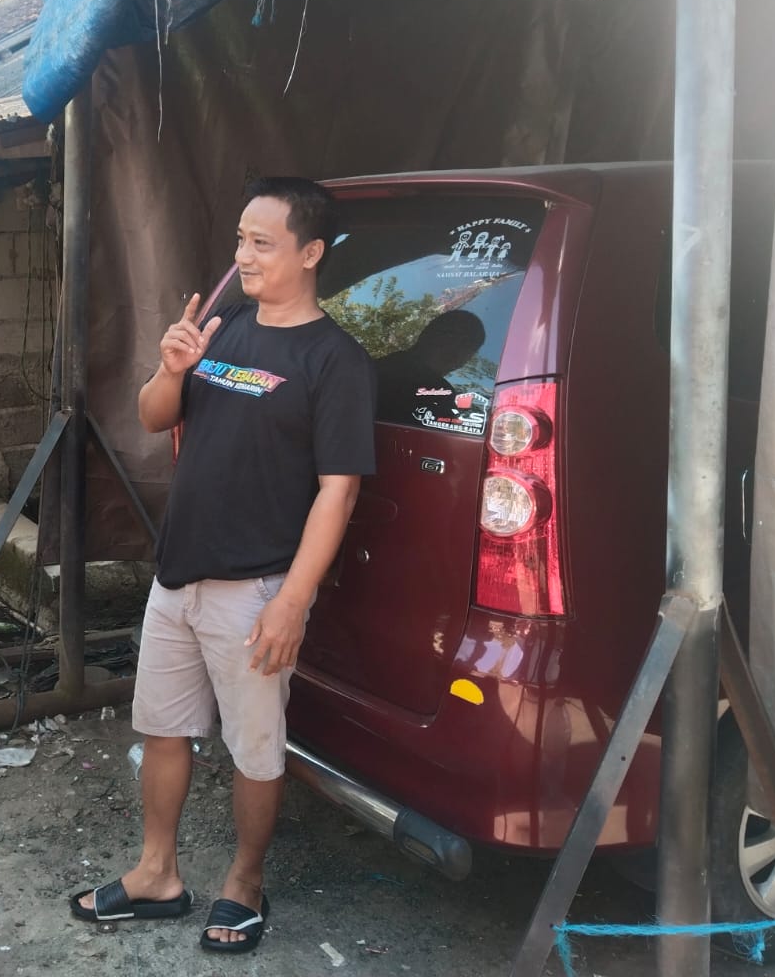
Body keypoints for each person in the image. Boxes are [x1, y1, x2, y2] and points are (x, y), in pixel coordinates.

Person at [70, 176, 375, 954]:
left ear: (310, 253)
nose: (243, 255)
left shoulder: (335, 360)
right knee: (164, 731)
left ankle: (244, 883)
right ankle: (156, 874)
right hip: (179, 573)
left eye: (262, 243)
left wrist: (292, 601)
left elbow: (337, 495)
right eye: (240, 239)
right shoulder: (225, 323)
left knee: (254, 751)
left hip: (256, 585)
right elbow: (152, 417)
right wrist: (171, 366)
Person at [372, 309, 487, 423]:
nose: (460, 352)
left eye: (469, 348)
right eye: (450, 336)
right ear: (428, 334)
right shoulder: (441, 392)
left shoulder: (373, 368)